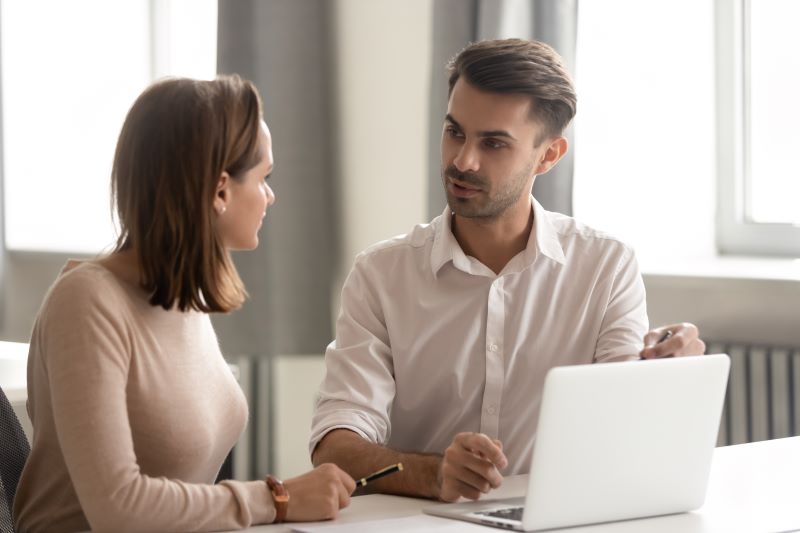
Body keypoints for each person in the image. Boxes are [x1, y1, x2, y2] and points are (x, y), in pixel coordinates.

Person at [309, 39, 705, 503]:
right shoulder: (381, 275)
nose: (463, 161)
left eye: (493, 143)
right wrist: (433, 474)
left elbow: (624, 431)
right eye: (455, 132)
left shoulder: (605, 267)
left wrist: (667, 379)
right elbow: (336, 447)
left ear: (549, 155)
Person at [13, 75, 355, 532]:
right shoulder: (87, 302)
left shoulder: (182, 298)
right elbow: (118, 508)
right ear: (219, 191)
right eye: (263, 177)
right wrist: (277, 499)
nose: (270, 196)